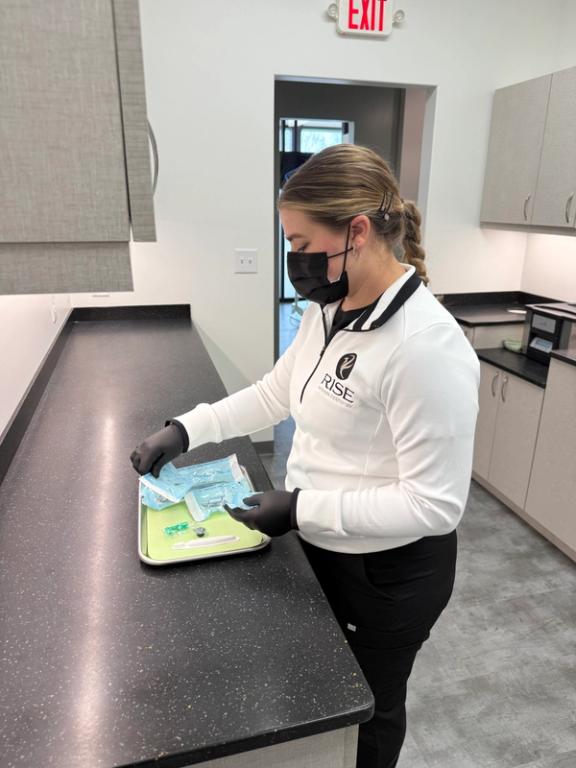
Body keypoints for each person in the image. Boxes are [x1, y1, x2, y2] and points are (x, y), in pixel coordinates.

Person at [130, 144, 480, 768]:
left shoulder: (426, 347)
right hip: (323, 542)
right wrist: (186, 429)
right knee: (319, 705)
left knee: (365, 714)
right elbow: (275, 392)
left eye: (299, 243)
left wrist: (299, 508)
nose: (294, 260)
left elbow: (435, 506)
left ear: (358, 232)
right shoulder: (328, 310)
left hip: (388, 576)